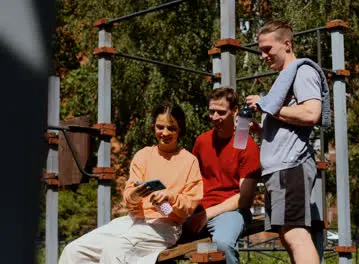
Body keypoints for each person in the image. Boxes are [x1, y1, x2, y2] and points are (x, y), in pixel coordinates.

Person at [59, 102, 203, 264]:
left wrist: (169, 196)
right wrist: (134, 195)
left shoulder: (189, 161)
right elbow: (129, 196)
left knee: (114, 251)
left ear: (180, 130)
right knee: (74, 251)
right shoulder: (143, 155)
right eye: (160, 127)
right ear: (153, 127)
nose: (165, 133)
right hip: (133, 221)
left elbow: (190, 204)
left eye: (171, 128)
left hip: (166, 226)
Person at [246, 20, 329, 264]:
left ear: (287, 45)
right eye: (261, 50)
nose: (263, 56)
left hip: (290, 167)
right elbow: (288, 124)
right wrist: (262, 130)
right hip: (280, 169)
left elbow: (311, 113)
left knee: (294, 234)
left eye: (267, 49)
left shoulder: (303, 72)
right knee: (287, 234)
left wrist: (267, 106)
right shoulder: (285, 77)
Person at [184, 87, 261, 264]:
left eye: (221, 112)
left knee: (222, 244)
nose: (215, 117)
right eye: (211, 112)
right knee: (160, 240)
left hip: (231, 211)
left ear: (235, 112)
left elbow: (244, 199)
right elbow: (191, 181)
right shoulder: (202, 141)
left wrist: (206, 215)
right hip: (200, 209)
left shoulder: (246, 146)